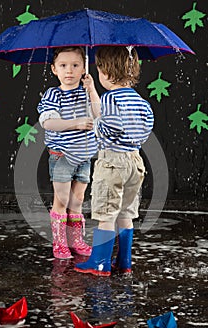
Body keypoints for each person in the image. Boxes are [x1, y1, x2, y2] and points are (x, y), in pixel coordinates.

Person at [75, 46, 154, 276]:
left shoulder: (110, 98)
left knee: (106, 214)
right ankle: (124, 261)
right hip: (134, 162)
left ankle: (99, 262)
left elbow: (107, 125)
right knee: (126, 214)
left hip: (112, 163)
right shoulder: (140, 101)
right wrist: (91, 89)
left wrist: (96, 126)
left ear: (107, 73)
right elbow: (145, 127)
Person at [37, 46, 100, 259]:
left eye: (75, 65)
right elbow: (48, 122)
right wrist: (75, 123)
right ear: (54, 69)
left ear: (84, 68)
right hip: (62, 155)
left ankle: (76, 241)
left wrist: (91, 90)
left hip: (84, 155)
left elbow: (98, 113)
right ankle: (60, 243)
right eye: (63, 66)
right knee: (62, 199)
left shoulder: (86, 92)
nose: (69, 70)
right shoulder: (53, 94)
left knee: (78, 199)